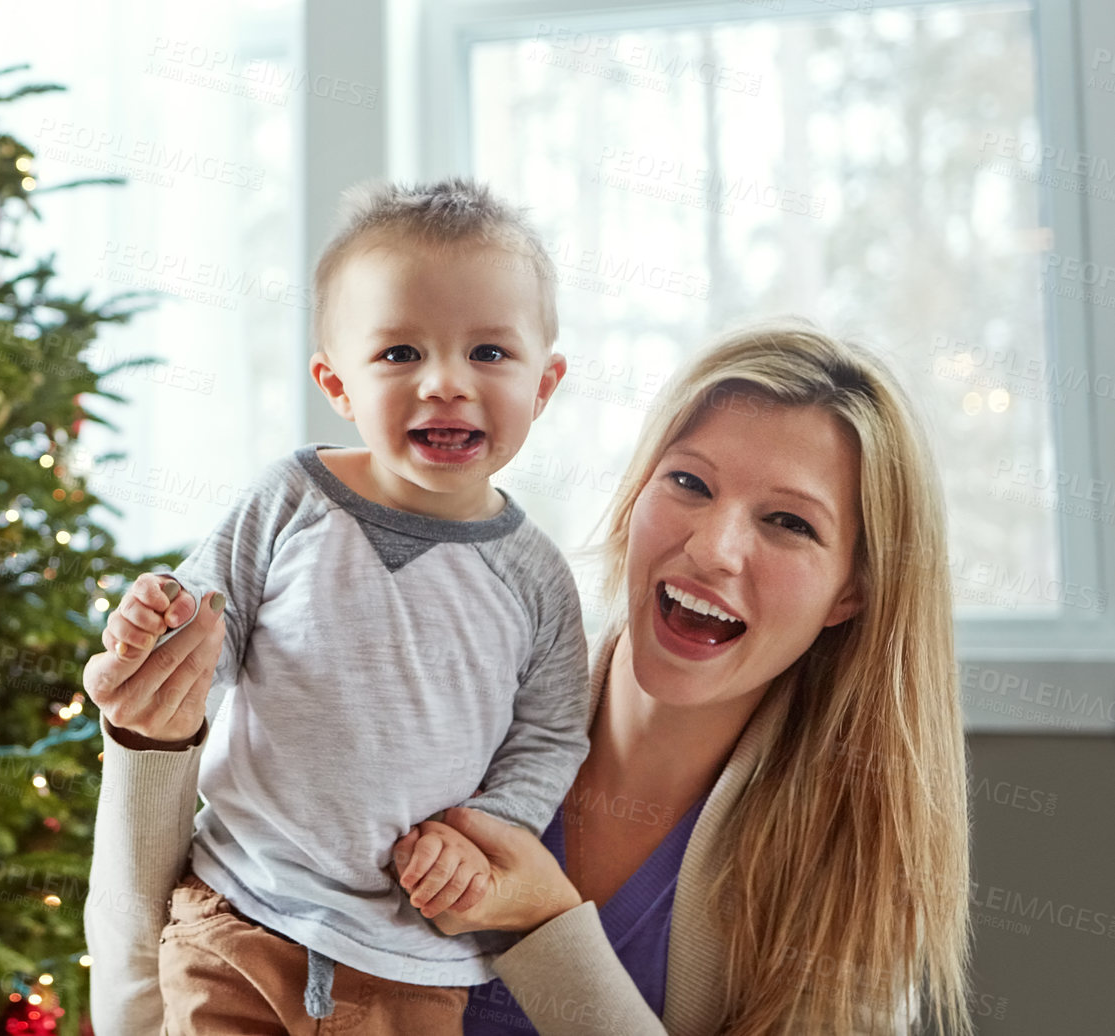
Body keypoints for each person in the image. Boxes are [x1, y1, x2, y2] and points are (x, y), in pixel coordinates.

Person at [83, 318, 973, 1036]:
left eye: (788, 523)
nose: (713, 548)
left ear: (850, 592)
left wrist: (546, 935)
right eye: (689, 484)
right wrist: (150, 742)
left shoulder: (845, 861)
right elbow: (165, 960)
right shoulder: (462, 682)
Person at [81, 177, 595, 1033]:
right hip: (239, 913)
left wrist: (484, 832)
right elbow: (205, 628)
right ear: (337, 384)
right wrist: (152, 634)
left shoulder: (537, 577)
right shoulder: (291, 500)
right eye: (399, 354)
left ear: (544, 384)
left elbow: (547, 734)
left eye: (488, 354)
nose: (443, 383)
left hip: (411, 961)